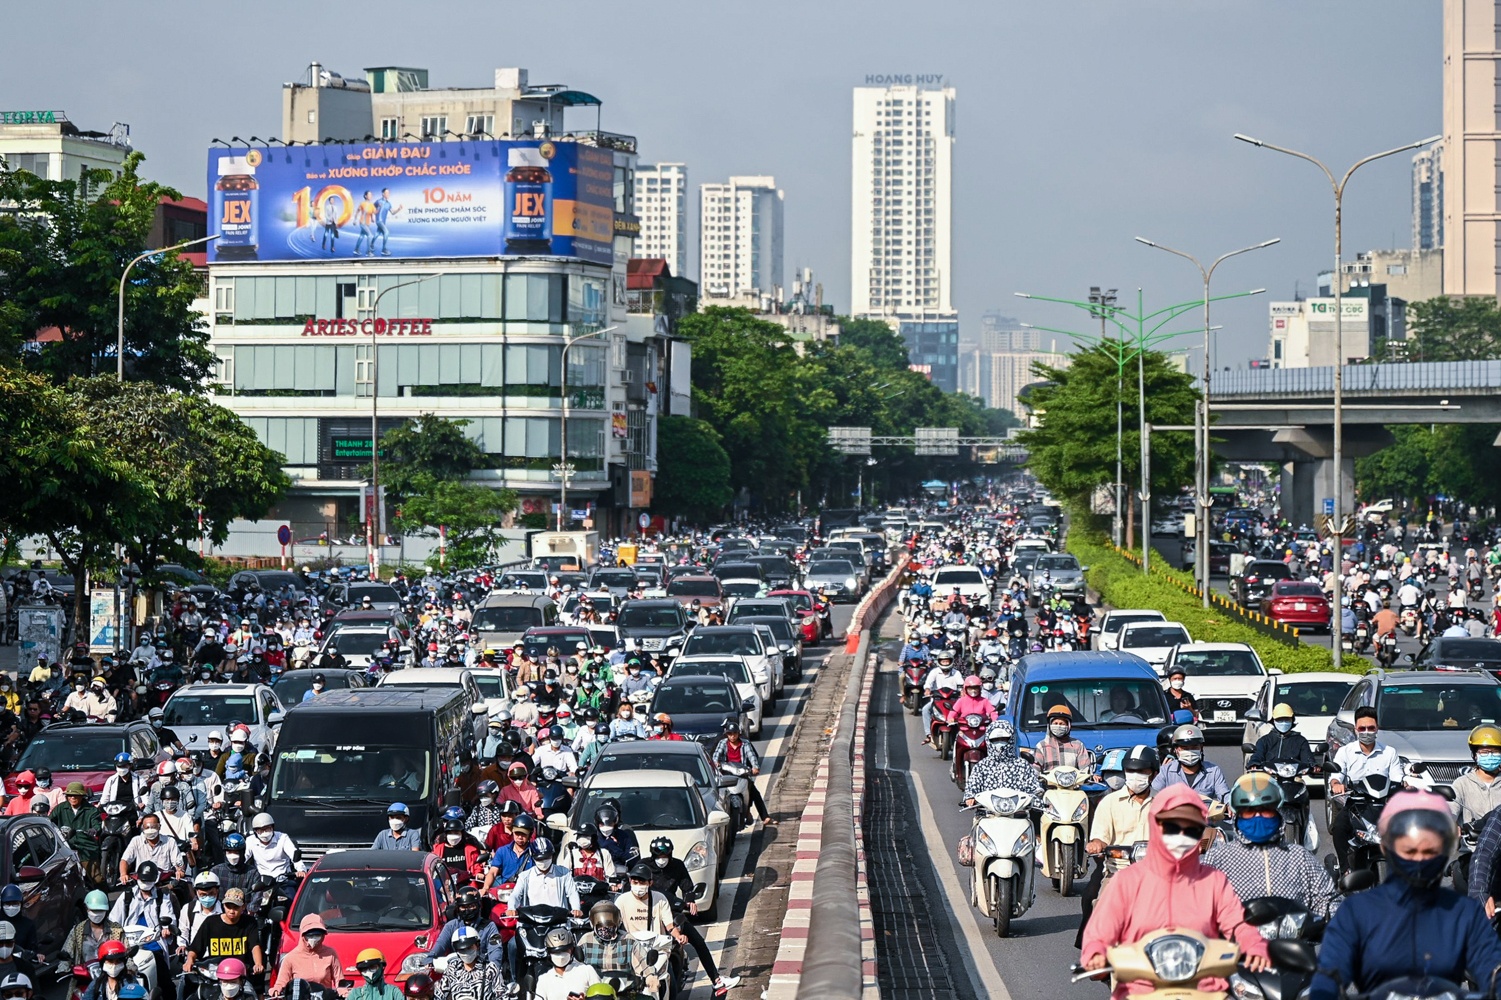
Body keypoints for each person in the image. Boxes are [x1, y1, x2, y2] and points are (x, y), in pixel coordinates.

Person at [1080, 785, 1270, 996]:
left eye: (1191, 829)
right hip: (1140, 989)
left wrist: (1255, 945)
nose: (1181, 835)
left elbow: (1238, 924)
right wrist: (1095, 952)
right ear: (1155, 825)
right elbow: (1100, 930)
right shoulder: (1126, 881)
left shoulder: (1214, 881)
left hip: (1204, 989)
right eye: (1171, 827)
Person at [1312, 790, 1501, 1000]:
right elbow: (1328, 978)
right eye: (1409, 850)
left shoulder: (1465, 914)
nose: (1419, 859)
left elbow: (1492, 969)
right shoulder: (1357, 913)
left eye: (1429, 850)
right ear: (1386, 847)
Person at [1204, 773, 1338, 920]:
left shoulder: (1300, 857)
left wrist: (1323, 919)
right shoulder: (1218, 859)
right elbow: (1199, 902)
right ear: (1238, 816)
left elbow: (1326, 900)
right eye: (1249, 812)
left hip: (1292, 940)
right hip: (1236, 940)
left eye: (1265, 810)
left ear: (1277, 813)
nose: (1257, 817)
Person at [1075, 744, 1159, 949]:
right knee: (1098, 909)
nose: (1135, 775)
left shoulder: (1166, 802)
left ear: (1154, 774)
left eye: (1142, 771)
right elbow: (1100, 837)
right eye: (1131, 770)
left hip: (1158, 877)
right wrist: (1096, 844)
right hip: (1118, 873)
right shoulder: (1109, 802)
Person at [643, 839, 739, 997]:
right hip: (647, 913)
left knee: (698, 941)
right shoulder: (644, 867)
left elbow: (687, 885)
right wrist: (681, 904)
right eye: (658, 856)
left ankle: (716, 979)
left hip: (670, 912)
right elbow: (657, 894)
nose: (662, 859)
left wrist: (689, 900)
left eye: (665, 855)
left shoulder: (677, 865)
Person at [1328, 707, 1406, 873]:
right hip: (1356, 805)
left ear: (1377, 728)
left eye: (1371, 728)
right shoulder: (1345, 752)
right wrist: (1336, 784)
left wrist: (1406, 786)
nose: (1367, 732)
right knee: (1339, 828)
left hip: (1383, 806)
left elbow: (1398, 778)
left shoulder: (1389, 752)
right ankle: (1345, 869)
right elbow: (1336, 775)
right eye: (1362, 728)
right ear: (1356, 729)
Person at [184, 887, 262, 978]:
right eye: (228, 906)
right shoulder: (211, 922)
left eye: (236, 907)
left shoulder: (250, 922)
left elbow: (255, 946)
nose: (231, 911)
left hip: (241, 974)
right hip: (215, 974)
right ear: (223, 905)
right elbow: (195, 947)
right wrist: (189, 961)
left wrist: (258, 964)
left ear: (243, 907)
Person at [962, 720, 1042, 806]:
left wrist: (1036, 798)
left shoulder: (1022, 765)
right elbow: (972, 787)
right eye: (995, 740)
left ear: (1011, 740)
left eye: (1004, 739)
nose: (1000, 743)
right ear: (988, 741)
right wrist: (970, 797)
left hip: (1018, 814)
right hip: (987, 814)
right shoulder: (981, 766)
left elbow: (1034, 788)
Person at [710, 724, 776, 828]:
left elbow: (752, 756)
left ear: (738, 734)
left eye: (734, 734)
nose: (732, 736)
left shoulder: (745, 744)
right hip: (728, 774)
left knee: (754, 793)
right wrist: (716, 763)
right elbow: (715, 756)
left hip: (742, 773)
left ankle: (764, 816)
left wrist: (755, 767)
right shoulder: (722, 743)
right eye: (730, 734)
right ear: (727, 734)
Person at [420, 885, 501, 968]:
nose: (467, 910)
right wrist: (430, 959)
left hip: (483, 972)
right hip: (456, 971)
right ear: (457, 908)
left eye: (471, 906)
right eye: (463, 907)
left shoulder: (490, 926)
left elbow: (495, 951)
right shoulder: (450, 926)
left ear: (479, 906)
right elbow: (440, 945)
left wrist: (493, 968)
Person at [1151, 723, 1231, 804]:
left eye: (1194, 747)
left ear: (1201, 748)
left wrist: (1229, 804)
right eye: (1185, 748)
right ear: (1176, 750)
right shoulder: (1166, 771)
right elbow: (1153, 794)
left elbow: (1224, 794)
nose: (1189, 751)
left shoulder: (1213, 771)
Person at [269, 915, 341, 996]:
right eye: (310, 935)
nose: (314, 938)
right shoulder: (291, 958)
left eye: (318, 935)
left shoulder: (330, 953)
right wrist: (276, 990)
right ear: (302, 935)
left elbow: (339, 980)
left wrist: (344, 992)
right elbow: (281, 982)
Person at [508, 839, 581, 917]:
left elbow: (572, 892)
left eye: (547, 858)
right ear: (532, 857)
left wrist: (576, 908)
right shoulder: (525, 876)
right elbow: (515, 895)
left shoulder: (564, 873)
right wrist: (511, 908)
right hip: (533, 922)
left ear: (552, 856)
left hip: (558, 922)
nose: (543, 862)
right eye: (539, 859)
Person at [432, 925, 504, 1000]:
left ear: (477, 945)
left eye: (469, 948)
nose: (466, 952)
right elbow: (439, 995)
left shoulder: (490, 968)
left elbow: (502, 995)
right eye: (462, 949)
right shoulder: (452, 968)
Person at [52, 782, 102, 884]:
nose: (73, 798)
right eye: (70, 795)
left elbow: (97, 825)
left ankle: (103, 897)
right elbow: (50, 821)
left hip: (86, 848)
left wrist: (94, 830)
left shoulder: (92, 810)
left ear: (82, 796)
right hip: (65, 848)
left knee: (97, 878)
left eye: (76, 795)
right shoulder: (60, 808)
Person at [1452, 725, 1501, 828]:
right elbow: (1450, 812)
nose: (1490, 756)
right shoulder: (1462, 784)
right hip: (1471, 843)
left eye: (1495, 752)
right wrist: (1452, 825)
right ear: (1475, 755)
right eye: (1484, 752)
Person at [531, 928, 599, 1000]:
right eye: (556, 952)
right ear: (549, 953)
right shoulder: (544, 980)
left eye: (564, 950)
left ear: (572, 950)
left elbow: (600, 996)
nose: (561, 956)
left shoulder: (587, 971)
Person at [1247, 704, 1318, 770]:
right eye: (1279, 720)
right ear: (1273, 721)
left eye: (1287, 719)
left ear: (1292, 720)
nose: (1283, 722)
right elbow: (1258, 754)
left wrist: (1313, 766)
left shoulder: (1301, 741)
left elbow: (1307, 758)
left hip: (1294, 779)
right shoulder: (1264, 741)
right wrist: (1254, 763)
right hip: (1269, 778)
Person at [61, 890, 122, 968]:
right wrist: (63, 969)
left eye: (100, 911)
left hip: (111, 974)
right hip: (84, 976)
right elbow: (66, 952)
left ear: (106, 910)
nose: (97, 914)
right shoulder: (77, 930)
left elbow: (127, 953)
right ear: (86, 908)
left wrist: (130, 969)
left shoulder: (117, 930)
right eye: (94, 911)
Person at [119, 815, 183, 885]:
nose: (150, 830)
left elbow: (178, 861)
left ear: (159, 827)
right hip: (142, 881)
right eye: (147, 827)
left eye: (153, 827)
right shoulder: (136, 841)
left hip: (164, 882)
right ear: (142, 828)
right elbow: (125, 860)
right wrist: (123, 874)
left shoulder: (170, 841)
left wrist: (179, 870)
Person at [480, 815, 535, 892]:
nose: (519, 837)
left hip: (528, 891)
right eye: (517, 833)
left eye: (523, 834)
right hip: (506, 892)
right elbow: (493, 872)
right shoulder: (502, 851)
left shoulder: (535, 852)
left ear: (530, 834)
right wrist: (485, 888)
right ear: (512, 832)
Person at [1031, 705, 1088, 769]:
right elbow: (1035, 771)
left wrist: (1093, 776)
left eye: (1062, 724)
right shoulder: (1041, 746)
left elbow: (1085, 770)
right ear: (1050, 725)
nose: (1058, 726)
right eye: (1055, 723)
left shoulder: (1078, 745)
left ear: (1068, 726)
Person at [179, 871, 223, 945]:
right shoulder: (188, 909)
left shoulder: (224, 909)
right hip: (195, 954)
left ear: (217, 891)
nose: (207, 897)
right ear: (196, 893)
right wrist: (182, 946)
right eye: (203, 895)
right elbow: (183, 932)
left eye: (211, 894)